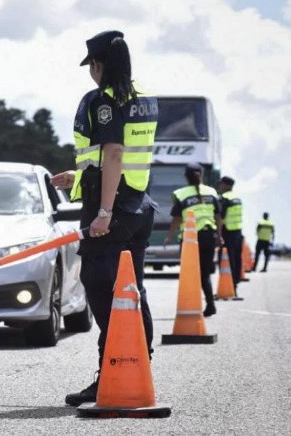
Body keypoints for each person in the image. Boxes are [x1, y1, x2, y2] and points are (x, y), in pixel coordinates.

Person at [50, 30, 158, 407]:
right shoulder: (144, 97)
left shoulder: (105, 100)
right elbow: (121, 158)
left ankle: (116, 367)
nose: (90, 74)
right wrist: (77, 176)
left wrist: (103, 212)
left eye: (91, 66)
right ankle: (138, 358)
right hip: (138, 205)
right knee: (130, 288)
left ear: (99, 65)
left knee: (100, 285)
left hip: (112, 209)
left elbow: (113, 153)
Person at [164, 163, 222, 317]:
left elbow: (176, 218)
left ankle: (192, 305)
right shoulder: (212, 192)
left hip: (191, 240)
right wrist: (220, 236)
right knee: (204, 274)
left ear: (185, 177)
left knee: (189, 273)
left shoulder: (181, 194)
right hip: (209, 236)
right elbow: (218, 216)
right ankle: (210, 304)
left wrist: (169, 237)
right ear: (201, 175)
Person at [217, 176, 243, 291]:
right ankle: (235, 283)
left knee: (226, 259)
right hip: (238, 231)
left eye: (221, 184)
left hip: (227, 232)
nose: (220, 186)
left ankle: (228, 285)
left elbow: (221, 218)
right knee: (237, 259)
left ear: (227, 185)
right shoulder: (237, 198)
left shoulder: (224, 199)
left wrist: (218, 235)